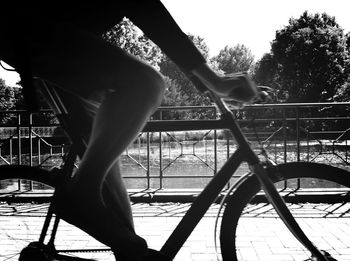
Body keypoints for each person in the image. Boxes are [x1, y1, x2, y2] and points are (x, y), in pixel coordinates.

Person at [0, 2, 257, 260]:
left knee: (101, 155)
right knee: (146, 83)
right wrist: (214, 81)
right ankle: (82, 193)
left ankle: (128, 250)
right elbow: (150, 13)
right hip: (27, 27)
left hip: (40, 33)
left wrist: (210, 83)